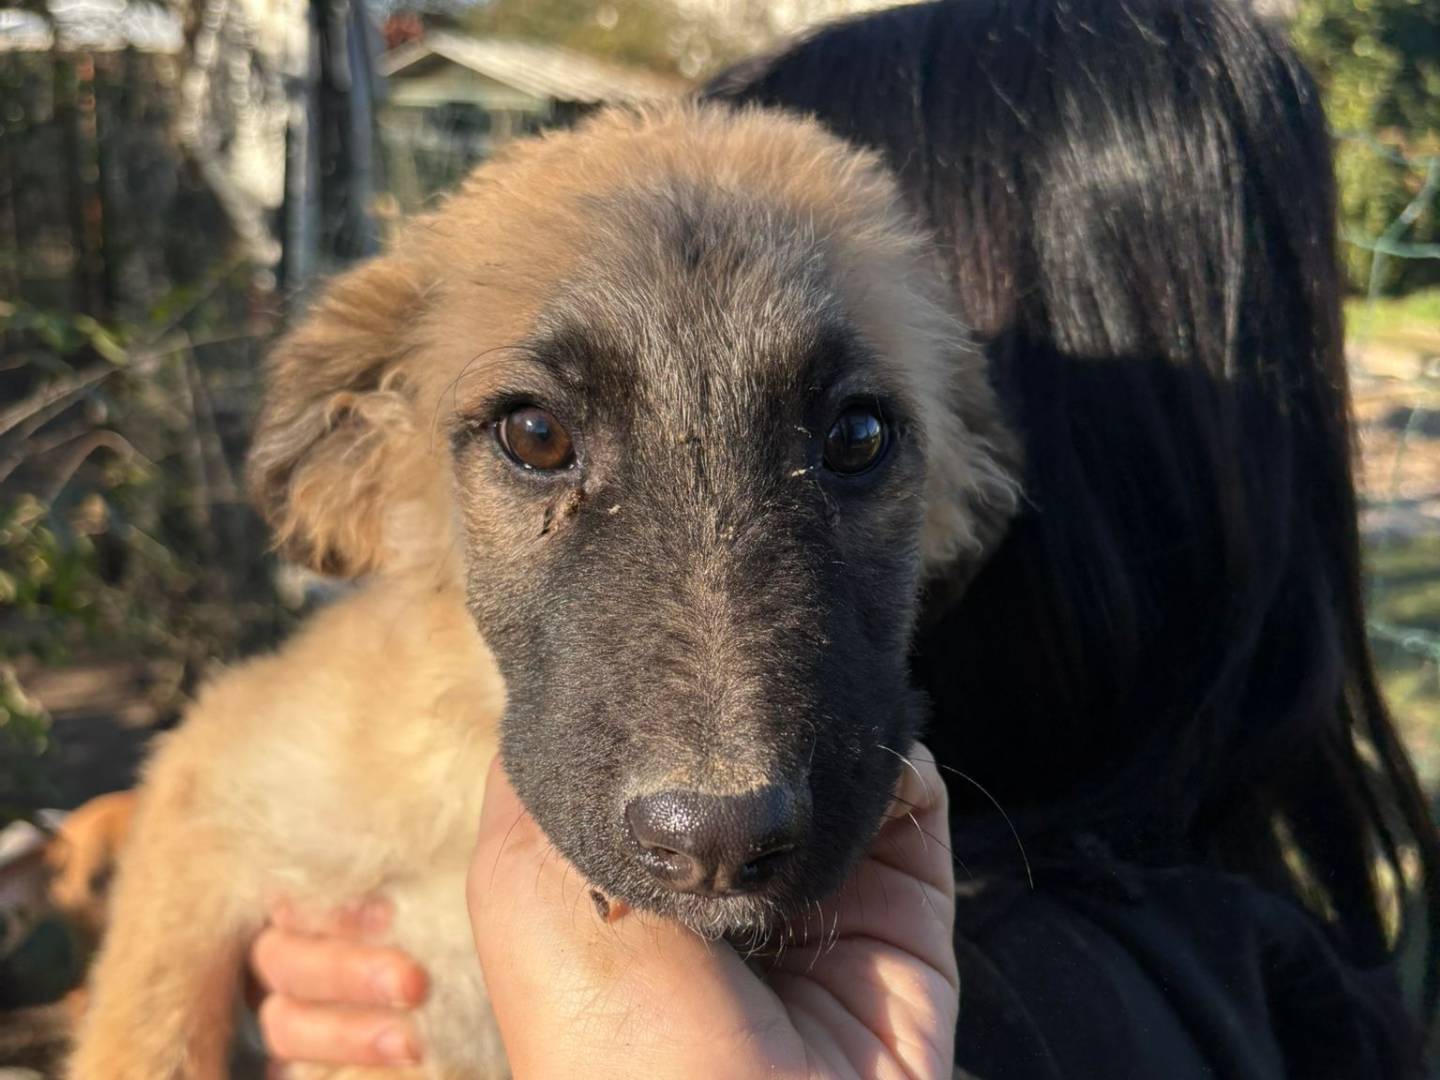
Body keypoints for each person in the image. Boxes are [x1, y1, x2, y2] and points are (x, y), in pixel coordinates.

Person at [251, 0, 1440, 1075]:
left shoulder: (980, 1015)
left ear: (1005, 461)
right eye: (543, 443)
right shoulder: (1263, 955)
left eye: (857, 440)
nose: (722, 774)